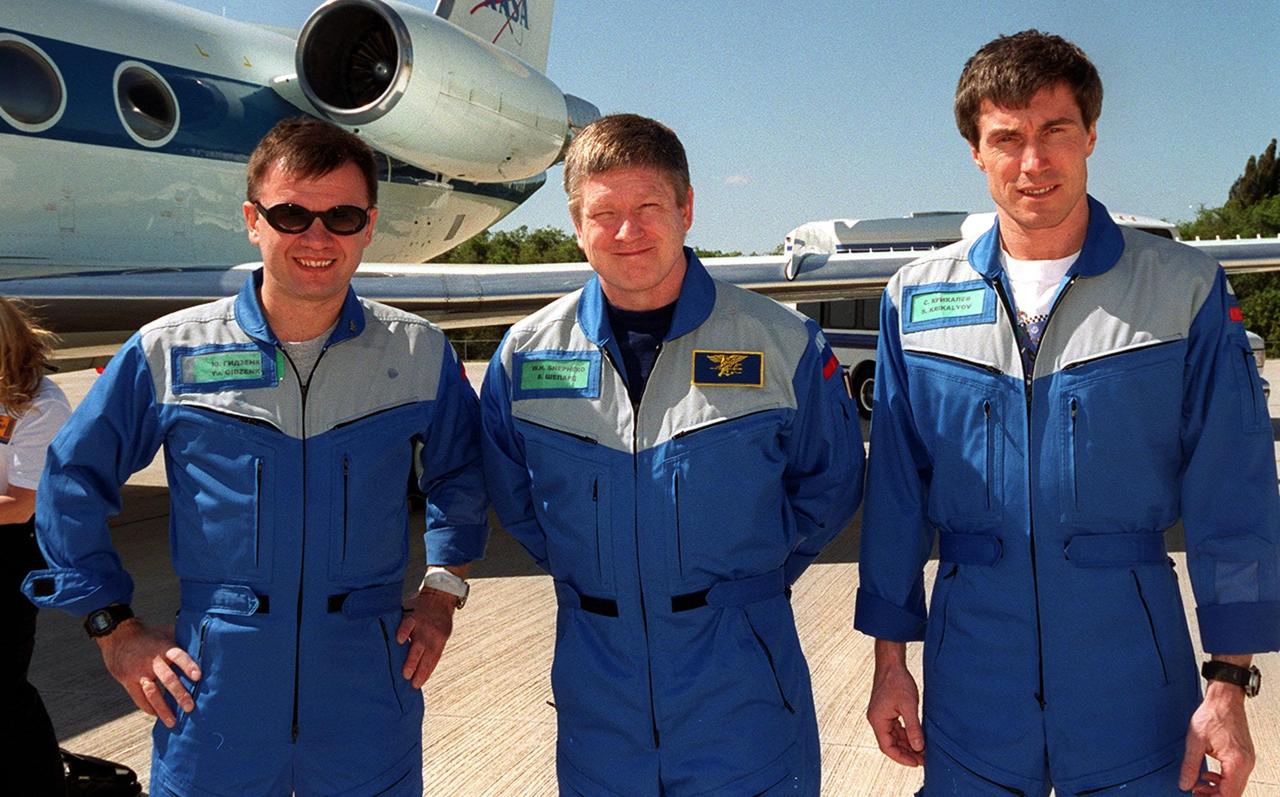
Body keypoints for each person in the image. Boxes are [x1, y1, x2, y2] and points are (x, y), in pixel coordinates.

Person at [855, 30, 1280, 797]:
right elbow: (894, 495)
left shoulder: (1183, 290)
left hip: (1135, 682)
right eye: (1006, 138)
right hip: (971, 679)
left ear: (1090, 135)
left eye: (1055, 131)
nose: (1033, 162)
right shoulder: (913, 300)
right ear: (975, 152)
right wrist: (890, 662)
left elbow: (1235, 497)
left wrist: (1228, 682)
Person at [23, 117, 489, 796]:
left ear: (368, 226)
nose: (317, 237)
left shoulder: (417, 352)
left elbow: (461, 471)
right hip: (214, 690)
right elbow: (71, 479)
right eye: (291, 214)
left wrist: (445, 587)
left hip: (365, 687)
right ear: (252, 221)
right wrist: (112, 628)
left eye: (342, 216)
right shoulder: (170, 350)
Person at [480, 113, 864, 795]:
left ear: (686, 208)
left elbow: (829, 486)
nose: (627, 231)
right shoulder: (525, 355)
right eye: (604, 213)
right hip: (599, 702)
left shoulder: (783, 344)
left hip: (741, 692)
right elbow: (518, 499)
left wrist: (744, 582)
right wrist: (606, 576)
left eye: (649, 207)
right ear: (576, 224)